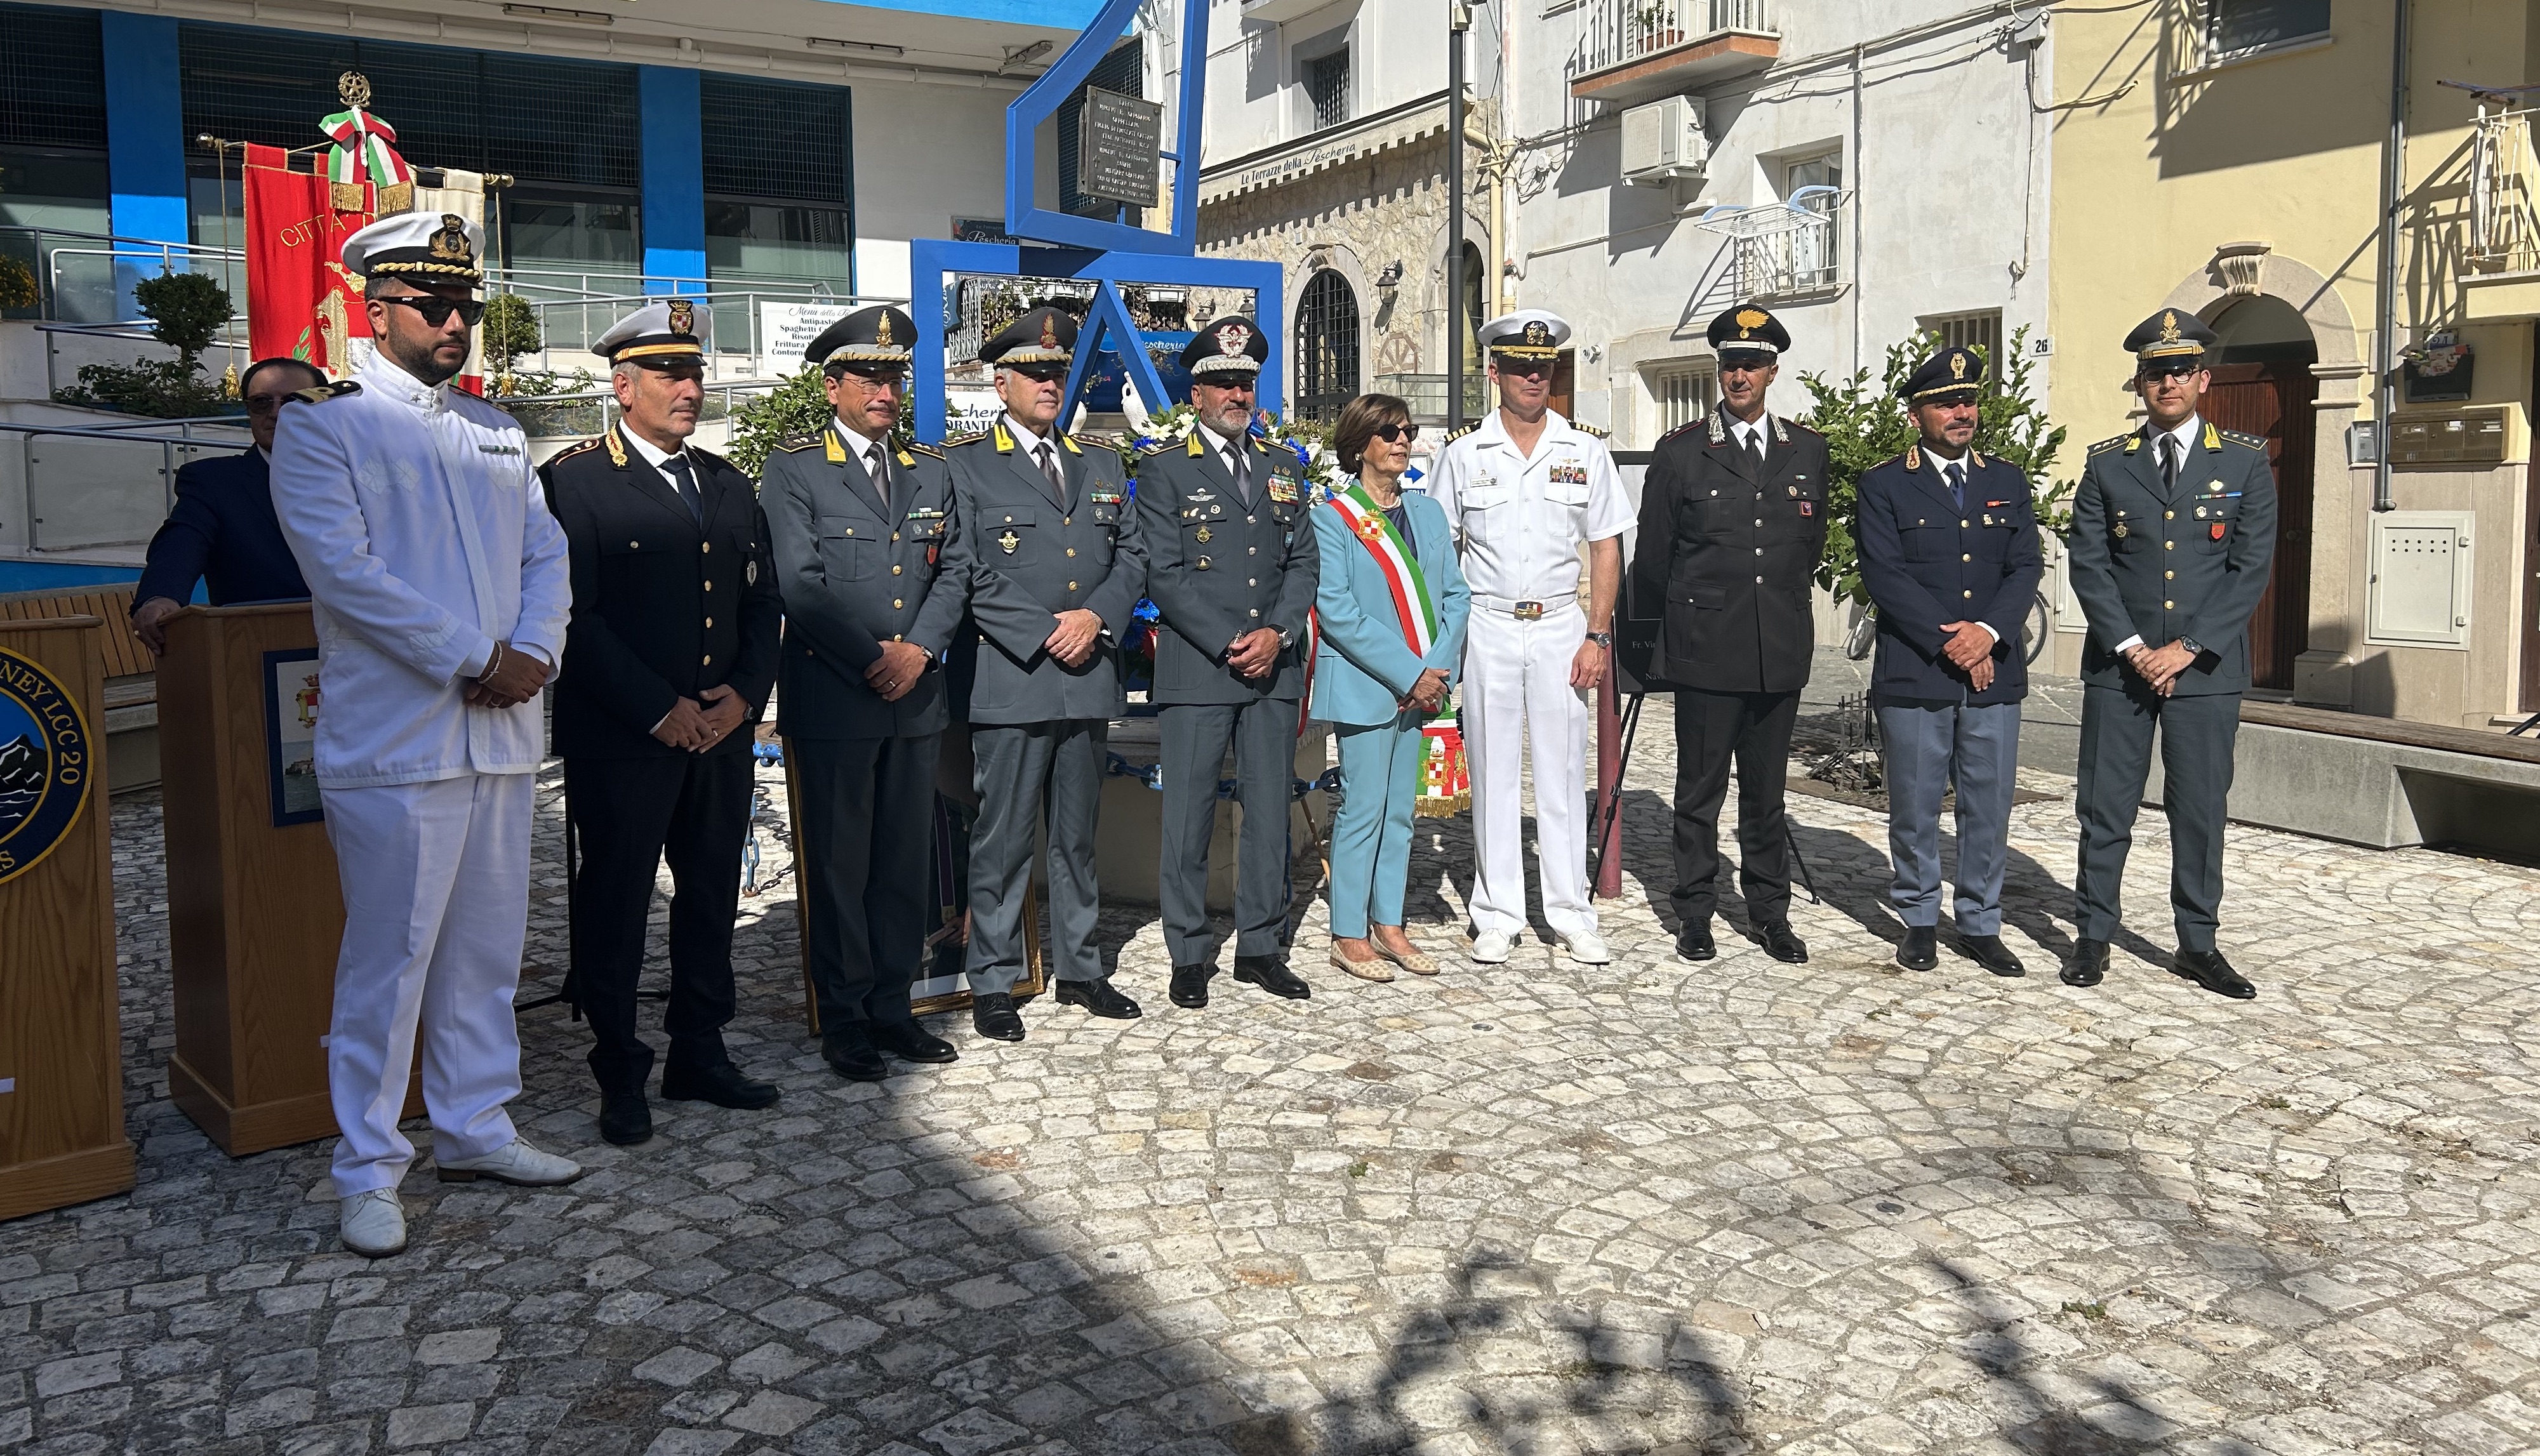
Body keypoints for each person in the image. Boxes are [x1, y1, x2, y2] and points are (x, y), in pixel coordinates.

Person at [267, 211, 582, 1260]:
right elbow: (347, 575)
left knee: (486, 951)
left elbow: (547, 555)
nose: (456, 323)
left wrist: (532, 650)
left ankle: (475, 1125)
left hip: (500, 735)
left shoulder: (493, 429)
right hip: (400, 739)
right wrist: (474, 653)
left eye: (467, 307)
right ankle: (364, 1164)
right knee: (388, 961)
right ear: (376, 305)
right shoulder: (326, 422)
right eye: (434, 305)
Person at [540, 299, 783, 1146]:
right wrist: (659, 707)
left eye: (694, 372)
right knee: (615, 900)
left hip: (716, 735)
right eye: (670, 374)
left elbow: (763, 602)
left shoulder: (725, 482)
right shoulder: (572, 480)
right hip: (625, 737)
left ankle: (699, 1047)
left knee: (711, 891)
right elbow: (573, 613)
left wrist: (742, 697)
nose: (690, 387)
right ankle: (618, 1064)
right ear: (622, 384)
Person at [763, 305, 971, 1078]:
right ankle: (844, 1014)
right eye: (869, 376)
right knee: (840, 864)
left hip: (914, 700)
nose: (885, 390)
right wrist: (872, 658)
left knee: (902, 865)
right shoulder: (794, 469)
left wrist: (917, 650)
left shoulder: (931, 470)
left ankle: (893, 1006)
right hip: (837, 700)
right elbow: (801, 584)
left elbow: (956, 570)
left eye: (894, 376)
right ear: (833, 386)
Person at [2063, 310, 2278, 998]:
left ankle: (2197, 943)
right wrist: (2132, 647)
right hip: (2118, 667)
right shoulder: (2105, 463)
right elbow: (2088, 564)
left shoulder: (2243, 460)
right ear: (2140, 381)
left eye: (2179, 369)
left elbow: (2249, 566)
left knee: (2198, 809)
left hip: (2205, 669)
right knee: (2104, 807)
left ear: (2202, 379)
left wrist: (2186, 647)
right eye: (2155, 372)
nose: (2167, 382)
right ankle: (2092, 935)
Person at [946, 307, 1147, 1040]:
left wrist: (1094, 618)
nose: (1048, 383)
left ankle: (1081, 967)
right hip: (1012, 675)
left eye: (1056, 372)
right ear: (1001, 383)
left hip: (1087, 672)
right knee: (1001, 838)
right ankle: (993, 977)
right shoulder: (965, 464)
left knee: (1076, 833)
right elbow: (964, 567)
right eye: (1033, 372)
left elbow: (1131, 556)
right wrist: (1046, 631)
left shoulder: (1099, 459)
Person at [1426, 310, 1630, 967]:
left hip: (1558, 625)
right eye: (1519, 365)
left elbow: (1605, 545)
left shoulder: (1583, 450)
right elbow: (1439, 548)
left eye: (1543, 366)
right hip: (1485, 623)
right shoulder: (1462, 454)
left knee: (1563, 771)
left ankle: (1570, 910)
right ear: (1494, 373)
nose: (1533, 376)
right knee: (1489, 769)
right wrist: (1443, 640)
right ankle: (1496, 910)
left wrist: (1597, 633)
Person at [1629, 303, 1828, 966]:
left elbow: (1808, 550)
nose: (1737, 375)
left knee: (1767, 796)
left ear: (1772, 370)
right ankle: (1694, 910)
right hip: (1705, 650)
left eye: (1750, 364)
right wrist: (1657, 646)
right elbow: (1653, 559)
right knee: (1698, 794)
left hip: (1777, 651)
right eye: (1728, 364)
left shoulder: (1807, 449)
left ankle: (1770, 912)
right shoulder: (1683, 451)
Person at [1133, 317, 1319, 1009]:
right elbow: (1163, 572)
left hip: (1272, 668)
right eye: (1221, 383)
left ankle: (1260, 945)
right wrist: (1229, 641)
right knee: (1187, 813)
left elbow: (1303, 559)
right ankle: (1187, 950)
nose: (1236, 394)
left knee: (1269, 809)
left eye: (1244, 382)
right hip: (1199, 667)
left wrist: (1275, 631)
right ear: (1196, 395)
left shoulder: (1282, 466)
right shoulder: (1162, 469)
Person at [1854, 345, 2041, 977]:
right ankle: (1918, 918)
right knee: (1913, 800)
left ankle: (1981, 922)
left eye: (1967, 400)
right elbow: (1886, 574)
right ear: (1915, 415)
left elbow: (2023, 567)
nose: (1960, 411)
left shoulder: (2005, 480)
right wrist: (1953, 641)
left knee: (1987, 804)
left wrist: (1986, 632)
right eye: (1944, 402)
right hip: (1917, 670)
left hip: (1994, 669)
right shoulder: (1883, 483)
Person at [1310, 393, 1470, 983]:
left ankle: (1390, 922)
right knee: (1362, 808)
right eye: (1388, 431)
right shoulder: (1332, 518)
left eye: (1407, 429)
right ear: (1359, 447)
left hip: (1427, 688)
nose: (1402, 439)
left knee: (1402, 812)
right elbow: (1338, 611)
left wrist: (1435, 669)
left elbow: (1455, 595)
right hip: (1369, 686)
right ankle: (1347, 932)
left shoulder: (1427, 514)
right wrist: (1408, 673)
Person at [129, 356, 324, 652]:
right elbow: (182, 542)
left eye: (294, 401)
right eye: (261, 403)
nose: (276, 413)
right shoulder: (214, 482)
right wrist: (161, 597)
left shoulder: (364, 475)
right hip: (257, 651)